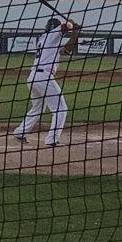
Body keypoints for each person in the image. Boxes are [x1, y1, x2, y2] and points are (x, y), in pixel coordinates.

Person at [13, 15, 80, 147]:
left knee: (38, 108)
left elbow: (67, 50)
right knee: (61, 108)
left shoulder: (46, 40)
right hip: (44, 77)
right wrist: (72, 24)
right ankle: (51, 140)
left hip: (33, 77)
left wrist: (75, 33)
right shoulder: (52, 35)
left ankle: (20, 132)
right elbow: (66, 26)